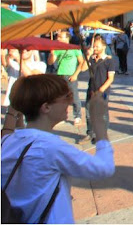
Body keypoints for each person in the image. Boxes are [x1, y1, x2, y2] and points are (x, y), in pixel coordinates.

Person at [1, 74, 115, 223]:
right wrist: (99, 123)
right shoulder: (50, 147)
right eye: (65, 99)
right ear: (46, 107)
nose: (69, 103)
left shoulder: (7, 141)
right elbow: (103, 168)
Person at [79, 36, 115, 144]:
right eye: (93, 46)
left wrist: (100, 91)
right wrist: (88, 55)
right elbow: (83, 68)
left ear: (103, 46)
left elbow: (110, 78)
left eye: (97, 46)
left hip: (102, 91)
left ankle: (102, 134)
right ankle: (90, 133)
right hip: (91, 89)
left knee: (103, 113)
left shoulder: (109, 61)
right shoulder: (92, 59)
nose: (95, 48)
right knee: (89, 112)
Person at [48, 31, 87, 125]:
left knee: (74, 96)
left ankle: (77, 116)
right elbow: (50, 62)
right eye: (57, 37)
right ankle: (61, 115)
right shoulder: (57, 49)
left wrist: (75, 74)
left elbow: (81, 62)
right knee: (60, 97)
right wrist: (52, 54)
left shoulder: (75, 48)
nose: (58, 38)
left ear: (67, 38)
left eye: (60, 37)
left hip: (70, 75)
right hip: (59, 75)